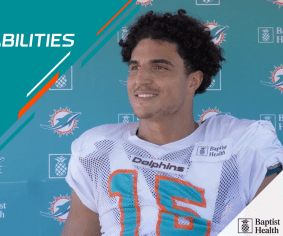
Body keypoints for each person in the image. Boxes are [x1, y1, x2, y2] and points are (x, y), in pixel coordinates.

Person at [61, 9, 283, 236]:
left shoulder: (243, 145)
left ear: (193, 80)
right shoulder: (97, 149)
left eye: (160, 67)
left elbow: (271, 227)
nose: (141, 79)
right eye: (135, 67)